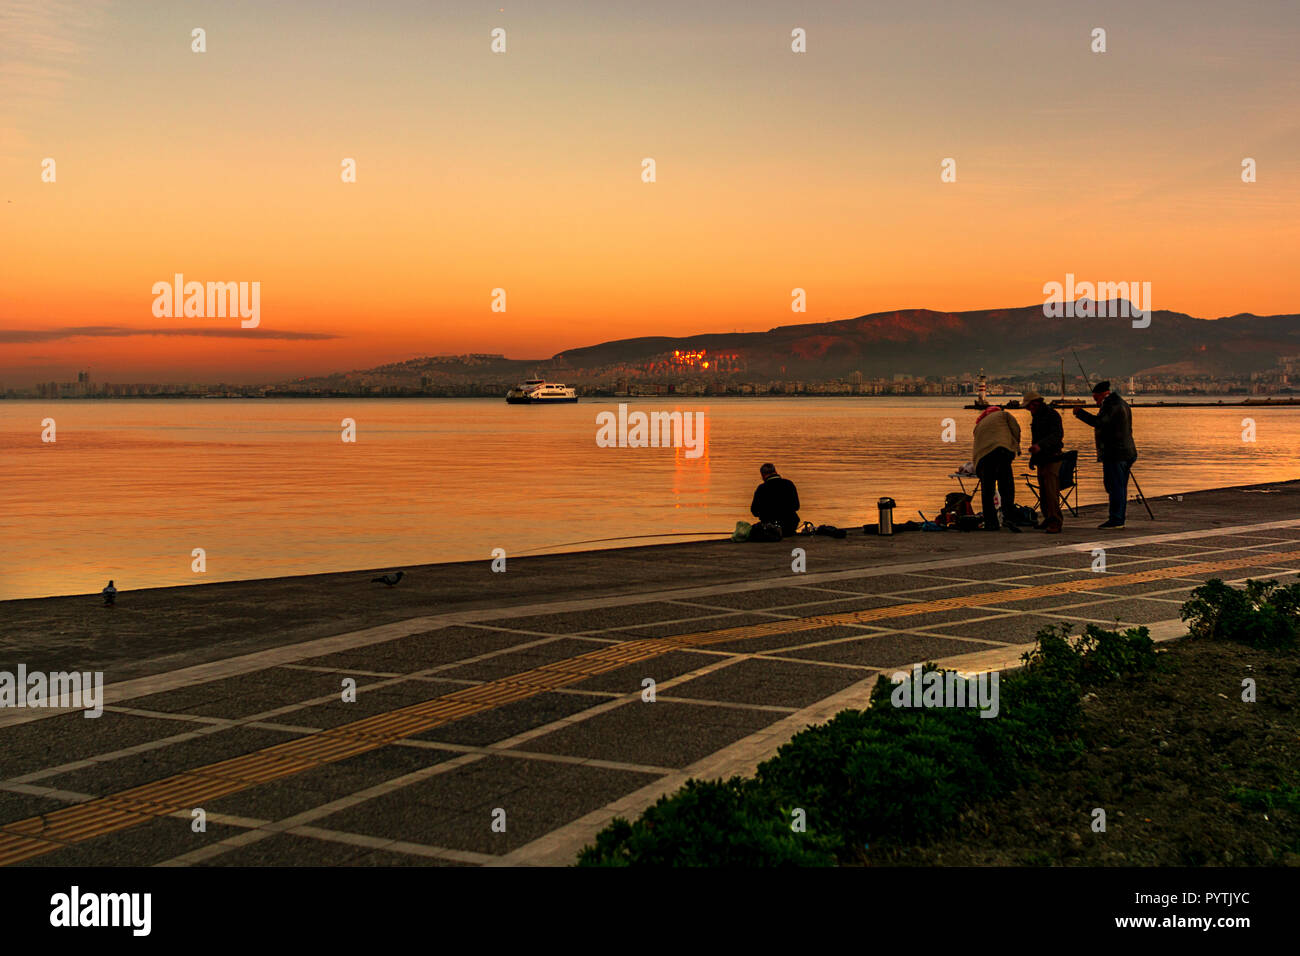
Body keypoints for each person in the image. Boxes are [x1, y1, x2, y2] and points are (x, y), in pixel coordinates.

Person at [1073, 380, 1138, 529]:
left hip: (1116, 453)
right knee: (1119, 487)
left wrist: (1080, 413)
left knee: (1114, 487)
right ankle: (1118, 517)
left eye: (1096, 399)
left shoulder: (1111, 405)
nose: (1096, 402)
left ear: (1104, 394)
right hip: (1126, 451)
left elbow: (1099, 422)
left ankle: (1116, 519)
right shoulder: (1121, 403)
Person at [972, 405, 1021, 531]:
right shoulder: (1003, 415)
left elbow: (976, 445)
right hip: (1001, 451)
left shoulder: (979, 425)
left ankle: (991, 523)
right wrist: (1016, 446)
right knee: (1006, 487)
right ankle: (1009, 518)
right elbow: (1016, 429)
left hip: (983, 458)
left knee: (987, 491)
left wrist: (978, 468)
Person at [1023, 390, 1064, 534]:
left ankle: (1055, 521)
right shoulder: (1037, 417)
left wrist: (1040, 446)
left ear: (1036, 403)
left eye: (1029, 406)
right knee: (1044, 493)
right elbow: (1035, 441)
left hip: (1052, 458)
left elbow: (1057, 436)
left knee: (1052, 492)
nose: (1028, 410)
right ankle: (1048, 518)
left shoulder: (1052, 415)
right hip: (1041, 459)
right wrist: (1033, 459)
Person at [751, 463, 800, 536]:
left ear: (763, 475)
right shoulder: (789, 484)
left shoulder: (762, 488)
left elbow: (754, 511)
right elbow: (796, 506)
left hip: (770, 527)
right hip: (790, 526)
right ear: (776, 472)